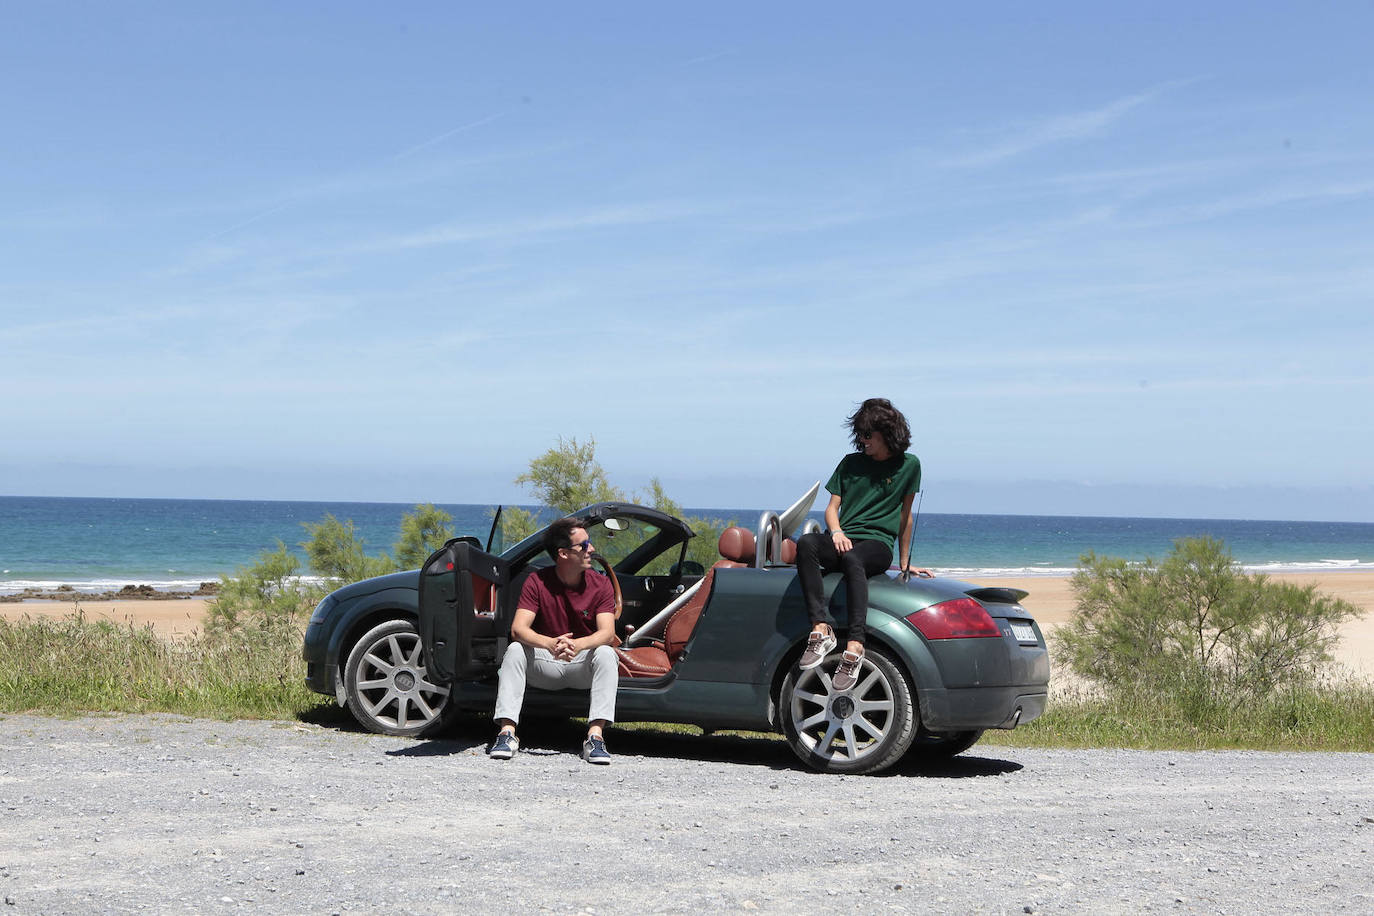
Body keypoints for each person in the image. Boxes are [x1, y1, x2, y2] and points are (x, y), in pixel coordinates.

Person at [795, 398, 931, 691]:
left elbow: (905, 517)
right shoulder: (850, 463)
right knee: (806, 544)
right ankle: (820, 629)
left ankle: (855, 646)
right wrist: (836, 532)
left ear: (886, 432)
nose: (863, 441)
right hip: (845, 538)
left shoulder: (910, 465)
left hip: (877, 544)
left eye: (868, 435)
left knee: (854, 559)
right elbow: (832, 508)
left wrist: (905, 563)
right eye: (859, 435)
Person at [488, 517, 618, 765]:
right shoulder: (537, 582)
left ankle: (595, 737)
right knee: (515, 649)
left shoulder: (601, 584)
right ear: (563, 553)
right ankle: (506, 733)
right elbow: (518, 629)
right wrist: (550, 643)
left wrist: (578, 645)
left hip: (581, 665)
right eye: (584, 545)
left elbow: (607, 633)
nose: (591, 549)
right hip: (546, 662)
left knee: (606, 653)